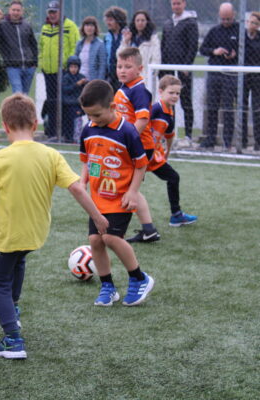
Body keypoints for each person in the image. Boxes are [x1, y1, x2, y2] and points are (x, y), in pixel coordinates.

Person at [0, 93, 108, 359]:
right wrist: (97, 216)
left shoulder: (2, 157)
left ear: (5, 126)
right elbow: (77, 188)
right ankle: (14, 310)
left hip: (7, 234)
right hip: (35, 232)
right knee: (18, 262)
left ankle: (13, 340)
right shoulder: (51, 155)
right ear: (35, 123)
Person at [78, 79, 154, 307]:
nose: (93, 120)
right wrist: (83, 181)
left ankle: (139, 278)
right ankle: (108, 287)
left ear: (112, 106)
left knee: (110, 237)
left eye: (97, 115)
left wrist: (133, 192)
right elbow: (87, 160)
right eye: (88, 115)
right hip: (97, 198)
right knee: (95, 240)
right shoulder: (88, 130)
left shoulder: (127, 131)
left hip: (120, 197)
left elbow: (141, 165)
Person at [113, 47, 160, 244]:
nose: (122, 70)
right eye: (119, 66)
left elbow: (142, 120)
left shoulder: (139, 90)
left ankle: (117, 226)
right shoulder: (126, 87)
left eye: (128, 67)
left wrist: (125, 140)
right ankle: (148, 230)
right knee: (130, 187)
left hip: (139, 146)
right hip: (133, 144)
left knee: (127, 187)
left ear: (140, 69)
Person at [148, 75, 198, 226]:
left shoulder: (170, 113)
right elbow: (140, 124)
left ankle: (176, 215)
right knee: (127, 184)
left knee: (173, 177)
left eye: (177, 93)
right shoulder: (155, 109)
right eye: (171, 92)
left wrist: (166, 154)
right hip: (141, 153)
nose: (175, 96)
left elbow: (169, 136)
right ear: (160, 91)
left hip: (153, 156)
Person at [199, 3, 239, 150]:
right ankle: (210, 139)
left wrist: (235, 54)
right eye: (223, 19)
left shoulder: (239, 30)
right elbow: (203, 49)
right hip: (214, 73)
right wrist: (214, 51)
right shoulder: (214, 31)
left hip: (231, 74)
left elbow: (247, 50)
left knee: (228, 108)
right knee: (212, 107)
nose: (225, 22)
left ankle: (227, 141)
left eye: (228, 19)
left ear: (233, 15)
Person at [38, 0, 80, 139]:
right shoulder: (45, 27)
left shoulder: (70, 26)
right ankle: (53, 132)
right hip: (48, 71)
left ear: (60, 12)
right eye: (50, 12)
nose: (52, 15)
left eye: (55, 12)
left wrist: (69, 65)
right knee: (51, 101)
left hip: (63, 71)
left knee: (64, 102)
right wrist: (42, 63)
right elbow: (41, 47)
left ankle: (65, 133)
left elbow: (75, 46)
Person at [161, 0, 198, 141]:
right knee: (169, 102)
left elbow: (193, 46)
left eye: (178, 3)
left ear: (184, 4)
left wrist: (186, 65)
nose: (176, 6)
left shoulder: (190, 23)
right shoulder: (168, 23)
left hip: (183, 70)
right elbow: (164, 46)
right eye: (173, 4)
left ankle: (188, 135)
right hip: (169, 69)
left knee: (185, 102)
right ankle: (170, 133)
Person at [0, 1, 38, 94]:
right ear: (9, 10)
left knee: (25, 94)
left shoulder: (27, 25)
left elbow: (33, 44)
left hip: (29, 66)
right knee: (18, 92)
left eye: (18, 10)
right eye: (13, 10)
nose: (16, 12)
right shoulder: (3, 25)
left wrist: (34, 62)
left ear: (22, 11)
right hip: (13, 67)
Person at [118, 10, 161, 89]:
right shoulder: (130, 38)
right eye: (137, 20)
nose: (140, 23)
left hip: (146, 76)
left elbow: (156, 58)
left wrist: (150, 75)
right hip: (130, 76)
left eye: (142, 20)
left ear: (147, 22)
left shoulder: (153, 39)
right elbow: (119, 55)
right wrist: (125, 42)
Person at [242, 12, 260, 151]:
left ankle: (258, 142)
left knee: (257, 109)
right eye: (249, 22)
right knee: (242, 107)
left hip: (257, 77)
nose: (250, 25)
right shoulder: (241, 37)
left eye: (254, 23)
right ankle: (242, 140)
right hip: (243, 77)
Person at [61, 55, 87, 143]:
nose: (73, 69)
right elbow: (65, 89)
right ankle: (68, 137)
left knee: (77, 120)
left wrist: (85, 83)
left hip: (77, 104)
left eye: (75, 67)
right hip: (68, 104)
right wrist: (76, 84)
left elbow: (85, 90)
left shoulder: (81, 77)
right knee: (68, 122)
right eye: (71, 67)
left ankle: (76, 138)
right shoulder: (66, 77)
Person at [103, 6, 128, 91]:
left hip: (124, 73)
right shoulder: (107, 37)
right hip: (111, 75)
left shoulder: (127, 34)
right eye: (107, 20)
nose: (108, 23)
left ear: (118, 20)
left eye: (111, 20)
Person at [75, 16, 107, 81]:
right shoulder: (79, 44)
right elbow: (75, 62)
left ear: (95, 28)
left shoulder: (100, 44)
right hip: (79, 80)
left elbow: (102, 66)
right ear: (83, 27)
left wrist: (99, 82)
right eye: (87, 25)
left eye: (92, 26)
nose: (89, 28)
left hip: (92, 80)